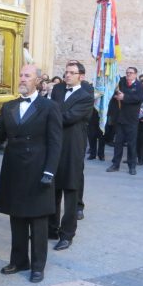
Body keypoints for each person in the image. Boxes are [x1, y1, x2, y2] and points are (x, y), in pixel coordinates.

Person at [0, 64, 61, 283]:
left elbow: (55, 142)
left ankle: (38, 265)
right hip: (14, 169)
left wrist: (49, 171)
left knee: (38, 221)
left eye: (27, 76)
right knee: (17, 217)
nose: (22, 79)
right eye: (20, 75)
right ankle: (19, 260)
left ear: (38, 81)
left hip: (39, 169)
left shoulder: (49, 107)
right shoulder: (9, 106)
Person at [49, 61, 94, 250]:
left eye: (72, 73)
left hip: (73, 146)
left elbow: (69, 117)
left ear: (81, 76)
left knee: (70, 189)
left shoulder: (86, 95)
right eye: (66, 72)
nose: (67, 75)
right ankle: (51, 228)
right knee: (52, 188)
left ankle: (67, 234)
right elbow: (55, 110)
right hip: (54, 143)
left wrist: (50, 115)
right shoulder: (58, 90)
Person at [107, 67, 143, 175]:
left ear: (135, 74)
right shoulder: (121, 82)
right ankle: (115, 164)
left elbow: (138, 98)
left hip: (131, 119)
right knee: (118, 143)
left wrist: (124, 97)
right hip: (120, 118)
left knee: (131, 144)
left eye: (131, 73)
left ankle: (132, 166)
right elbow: (114, 94)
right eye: (127, 72)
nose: (128, 74)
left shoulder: (139, 86)